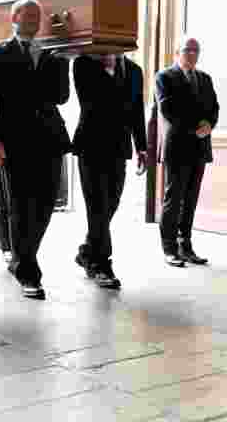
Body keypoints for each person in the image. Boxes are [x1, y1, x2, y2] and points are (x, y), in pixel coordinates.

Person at [0, 0, 71, 300]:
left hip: (49, 140)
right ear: (13, 18)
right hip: (13, 142)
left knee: (44, 205)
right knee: (20, 207)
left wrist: (62, 62)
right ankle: (27, 270)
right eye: (27, 14)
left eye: (36, 15)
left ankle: (22, 256)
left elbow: (61, 97)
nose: (32, 19)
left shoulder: (53, 57)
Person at [72, 53, 148, 289]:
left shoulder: (135, 70)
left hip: (119, 147)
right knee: (97, 207)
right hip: (91, 146)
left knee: (110, 204)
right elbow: (90, 101)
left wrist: (142, 147)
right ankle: (101, 264)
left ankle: (87, 251)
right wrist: (107, 69)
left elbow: (137, 111)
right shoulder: (84, 63)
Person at [154, 38, 218, 267]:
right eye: (187, 50)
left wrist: (209, 125)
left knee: (190, 199)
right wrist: (195, 126)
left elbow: (214, 107)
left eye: (195, 50)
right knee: (174, 198)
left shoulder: (205, 78)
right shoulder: (164, 77)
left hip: (200, 146)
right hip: (178, 146)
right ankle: (169, 248)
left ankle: (186, 246)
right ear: (177, 53)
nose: (192, 54)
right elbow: (168, 108)